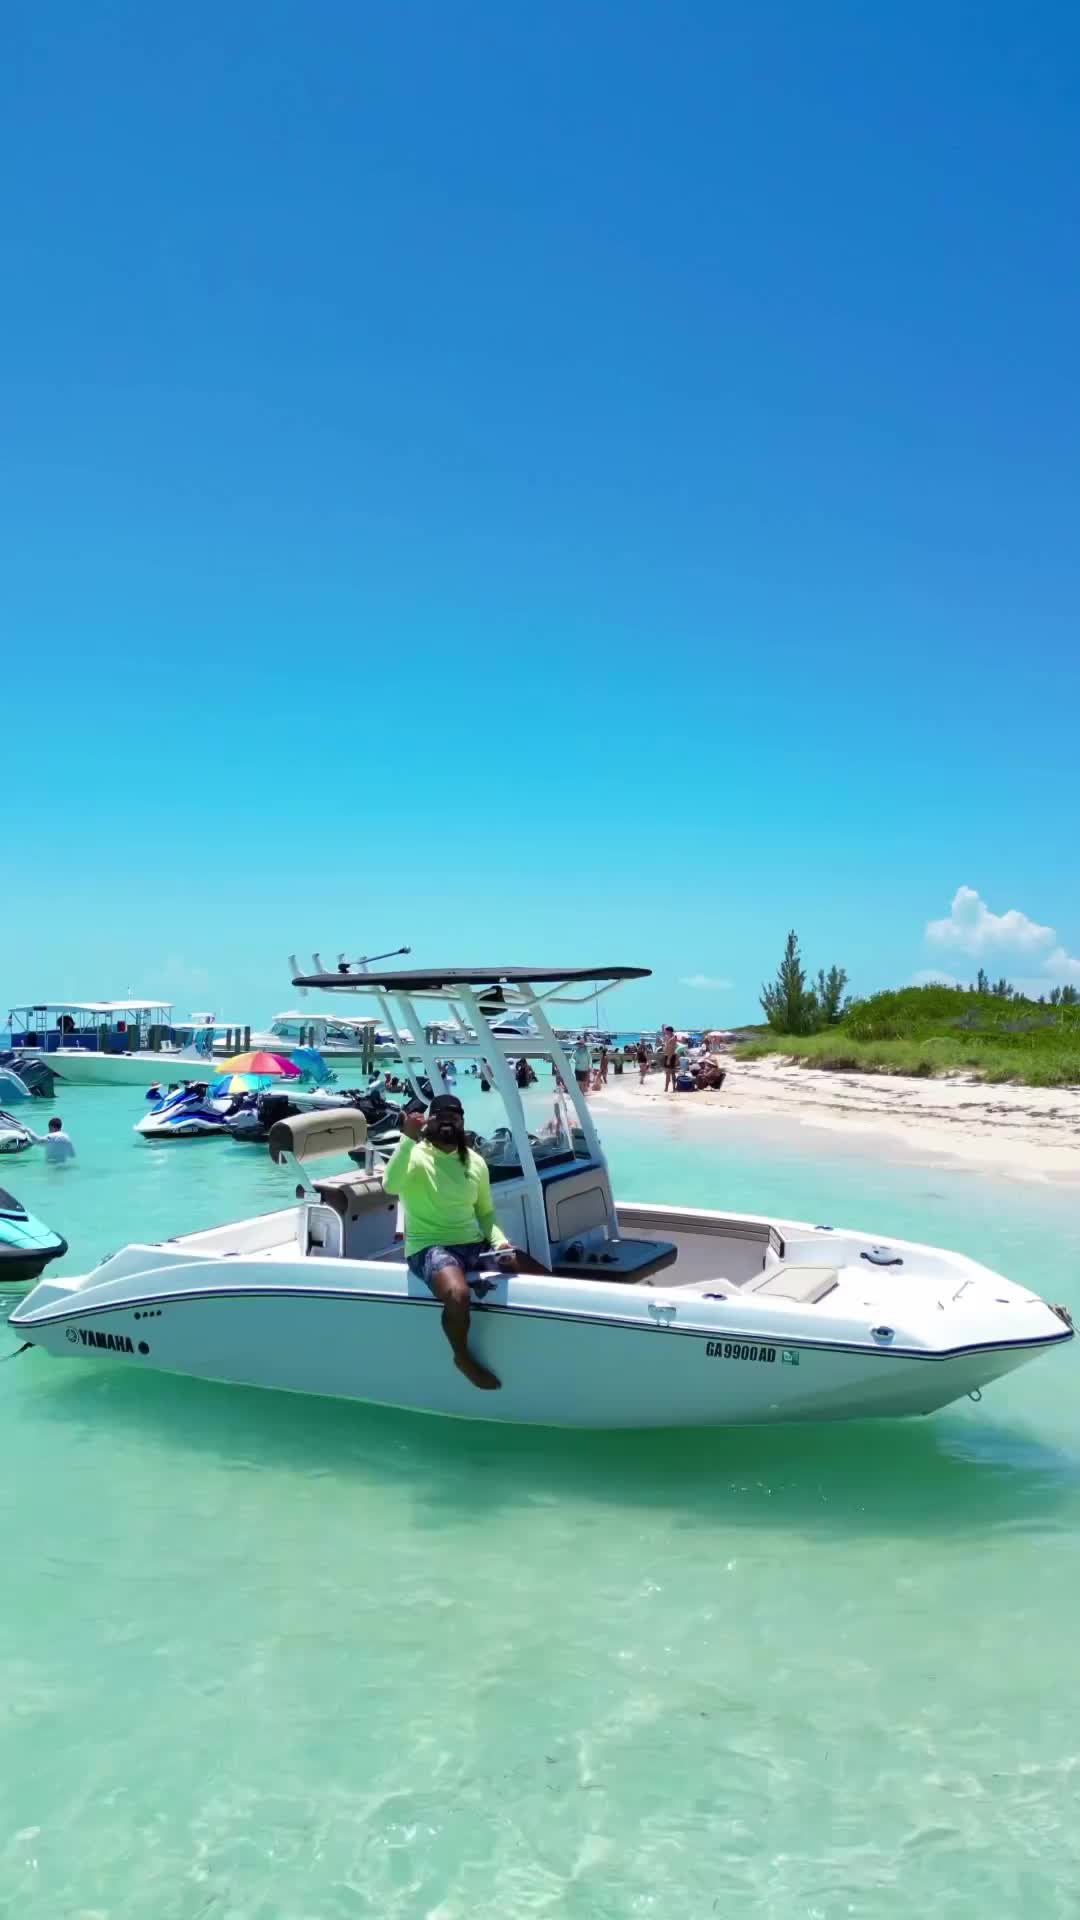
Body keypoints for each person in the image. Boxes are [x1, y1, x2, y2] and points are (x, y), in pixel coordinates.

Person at [382, 1094, 515, 1391]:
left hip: (472, 1244)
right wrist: (407, 1138)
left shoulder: (476, 1162)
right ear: (429, 1120)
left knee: (530, 1269)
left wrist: (501, 1243)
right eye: (440, 1117)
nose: (447, 1123)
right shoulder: (415, 1155)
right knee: (457, 1294)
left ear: (462, 1122)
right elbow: (389, 1185)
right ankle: (462, 1356)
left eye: (453, 1118)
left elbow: (485, 1212)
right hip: (428, 1248)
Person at [662, 1026, 679, 1093]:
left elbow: (672, 1050)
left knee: (671, 1073)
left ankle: (671, 1088)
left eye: (666, 1031)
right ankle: (668, 1088)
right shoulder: (668, 1037)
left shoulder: (673, 1038)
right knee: (668, 1073)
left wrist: (669, 1059)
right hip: (667, 1056)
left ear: (669, 1031)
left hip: (671, 1056)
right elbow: (667, 1047)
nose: (665, 1032)